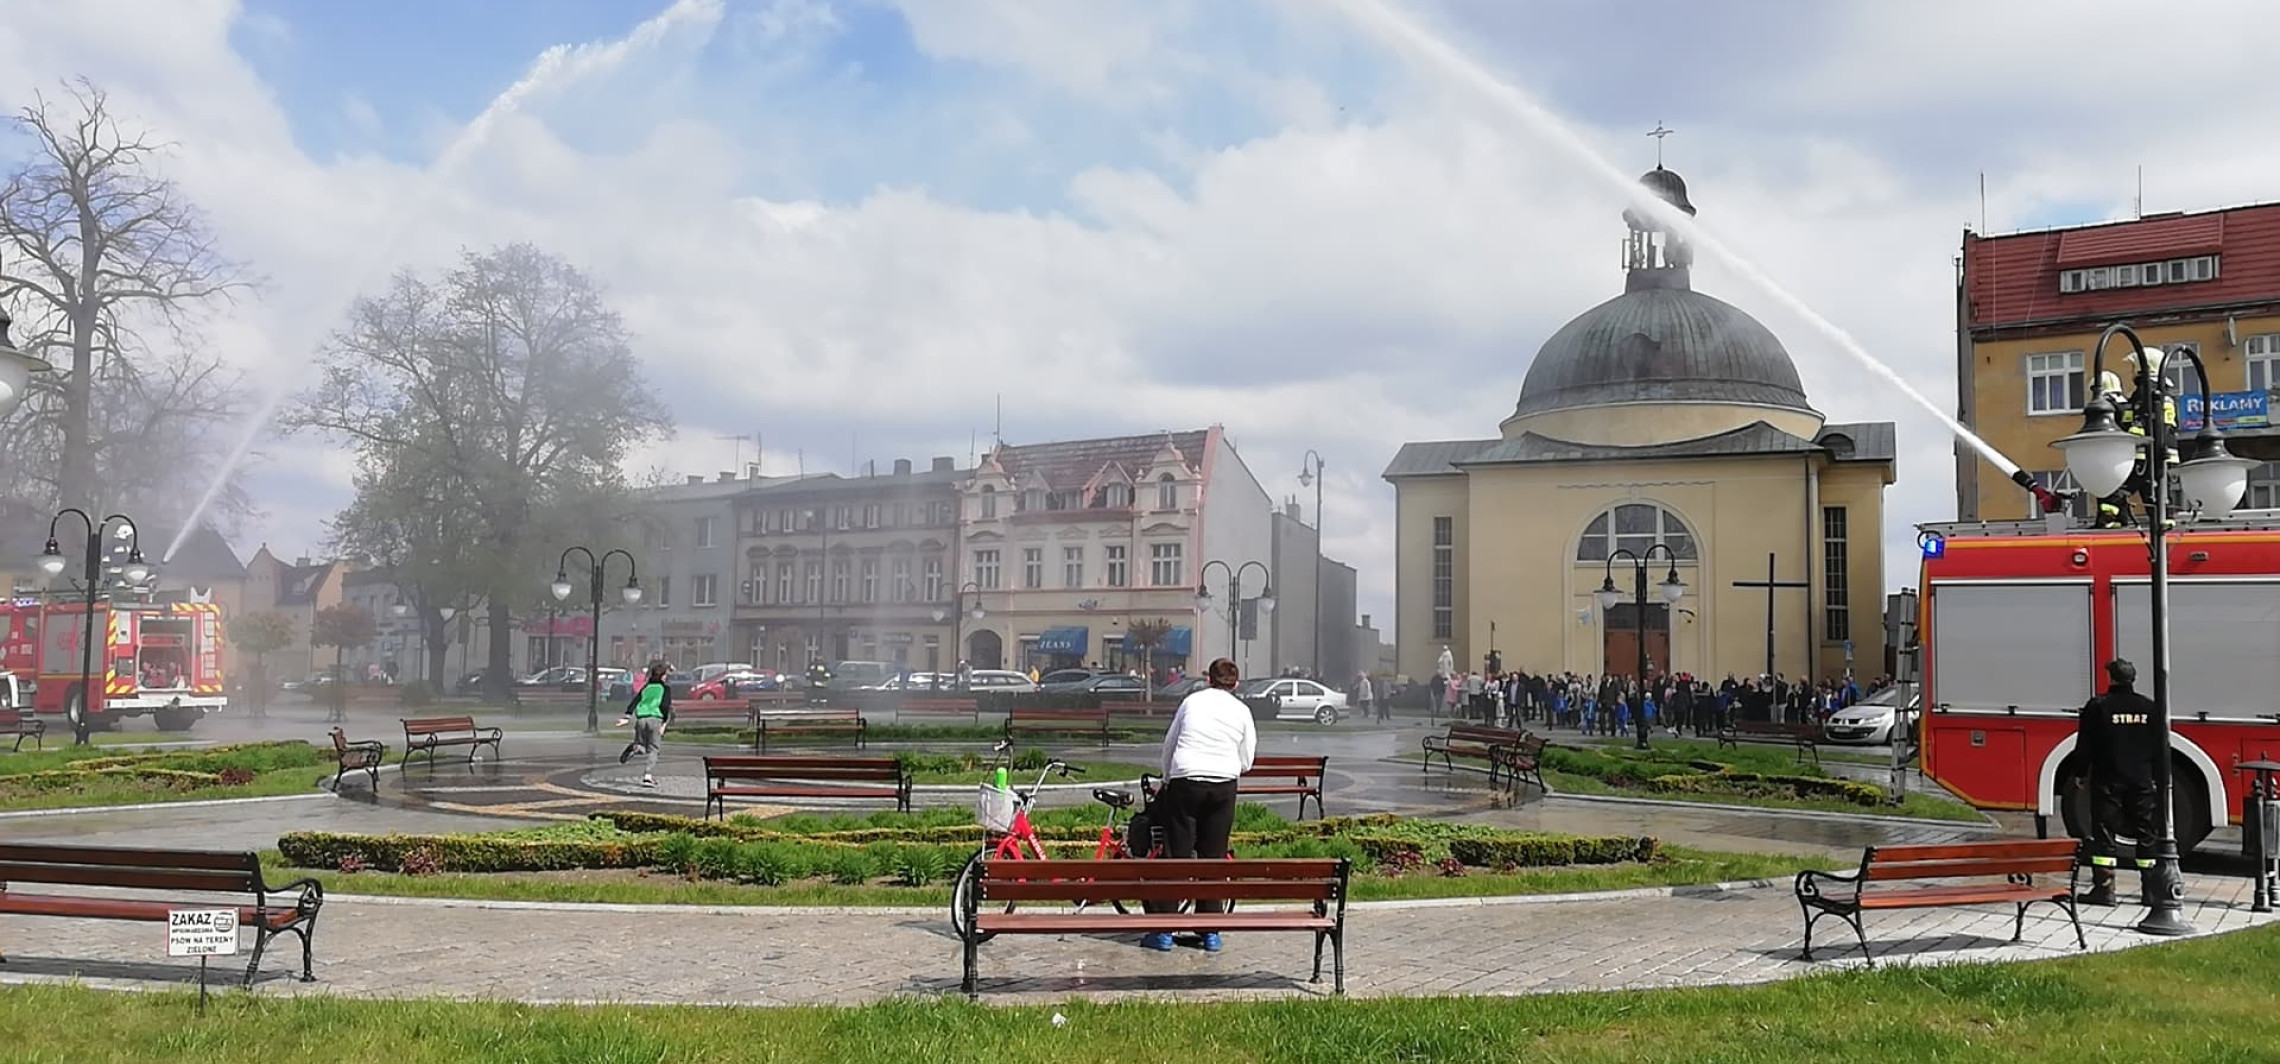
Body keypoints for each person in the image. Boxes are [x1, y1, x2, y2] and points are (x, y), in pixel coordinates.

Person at [1145, 656, 1257, 952]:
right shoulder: (1242, 710)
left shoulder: (1191, 702)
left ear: (1208, 679)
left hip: (1186, 781)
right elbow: (1247, 759)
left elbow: (1170, 743)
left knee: (1176, 855)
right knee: (1214, 856)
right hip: (1223, 785)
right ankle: (1210, 931)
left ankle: (1165, 931)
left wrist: (1168, 778)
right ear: (1235, 684)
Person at [2075, 658, 2162, 906]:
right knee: (2146, 832)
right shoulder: (2150, 708)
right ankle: (2151, 891)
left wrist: (2080, 773)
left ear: (2111, 678)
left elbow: (2085, 745)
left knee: (2104, 832)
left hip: (2108, 780)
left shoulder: (2098, 706)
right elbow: (2160, 746)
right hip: (2141, 781)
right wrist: (2156, 777)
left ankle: (2105, 890)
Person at [615, 661, 673, 788]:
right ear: (663, 676)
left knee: (642, 747)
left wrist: (627, 716)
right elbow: (665, 706)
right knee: (654, 749)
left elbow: (635, 701)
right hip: (655, 719)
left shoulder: (646, 688)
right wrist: (663, 723)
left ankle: (635, 748)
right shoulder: (665, 689)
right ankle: (648, 776)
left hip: (641, 720)